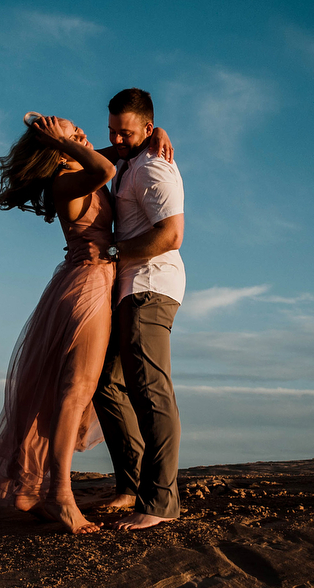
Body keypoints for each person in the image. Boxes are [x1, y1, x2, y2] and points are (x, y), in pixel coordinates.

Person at [0, 113, 173, 535]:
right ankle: (61, 498)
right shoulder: (66, 180)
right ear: (57, 146)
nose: (83, 134)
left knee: (74, 388)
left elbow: (118, 154)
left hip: (95, 279)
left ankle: (44, 493)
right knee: (76, 389)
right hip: (88, 283)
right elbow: (106, 167)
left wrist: (155, 134)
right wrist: (62, 141)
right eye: (73, 132)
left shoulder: (75, 167)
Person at [92, 88, 186, 532]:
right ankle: (130, 485)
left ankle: (161, 501)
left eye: (125, 133)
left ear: (147, 129)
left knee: (150, 391)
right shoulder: (132, 155)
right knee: (105, 384)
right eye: (111, 131)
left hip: (150, 286)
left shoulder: (152, 165)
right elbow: (102, 152)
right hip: (127, 287)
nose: (116, 139)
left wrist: (113, 250)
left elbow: (170, 236)